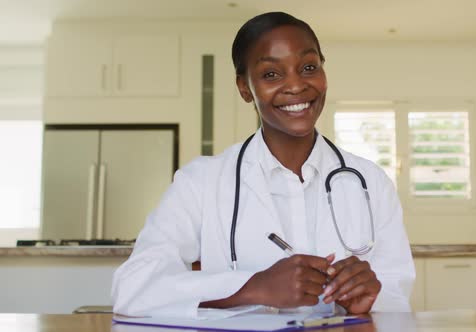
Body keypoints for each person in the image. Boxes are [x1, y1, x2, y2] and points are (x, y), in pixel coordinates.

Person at [111, 12, 414, 318]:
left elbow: (396, 293)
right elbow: (133, 287)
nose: (296, 85)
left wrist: (371, 299)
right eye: (271, 74)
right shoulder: (200, 182)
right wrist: (255, 286)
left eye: (309, 67)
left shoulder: (369, 181)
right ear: (245, 88)